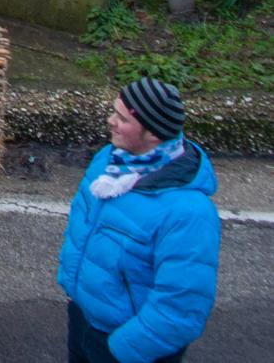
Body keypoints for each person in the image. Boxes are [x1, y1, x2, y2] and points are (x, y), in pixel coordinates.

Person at [57, 77, 220, 362]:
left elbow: (181, 309)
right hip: (84, 320)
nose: (110, 121)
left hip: (128, 345)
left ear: (153, 134)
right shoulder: (109, 161)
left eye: (122, 119)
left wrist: (123, 350)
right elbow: (84, 230)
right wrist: (74, 291)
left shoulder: (189, 213)